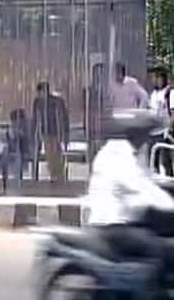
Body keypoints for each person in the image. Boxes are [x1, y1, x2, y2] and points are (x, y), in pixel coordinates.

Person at [87, 109, 174, 280]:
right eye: (145, 134)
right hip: (114, 227)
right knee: (160, 249)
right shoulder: (120, 156)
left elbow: (145, 179)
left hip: (117, 222)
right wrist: (169, 205)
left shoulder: (119, 151)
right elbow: (141, 188)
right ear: (136, 134)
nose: (147, 139)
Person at [32, 82, 70, 182]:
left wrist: (64, 133)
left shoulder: (56, 101)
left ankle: (59, 175)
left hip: (56, 131)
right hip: (46, 131)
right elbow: (36, 118)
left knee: (57, 153)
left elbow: (63, 117)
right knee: (50, 154)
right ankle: (54, 174)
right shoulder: (38, 102)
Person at [148, 67, 173, 176]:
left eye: (154, 77)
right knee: (153, 159)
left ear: (161, 78)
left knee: (166, 159)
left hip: (165, 132)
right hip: (154, 131)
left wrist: (169, 129)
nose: (152, 80)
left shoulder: (169, 93)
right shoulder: (154, 93)